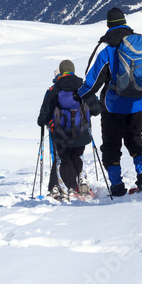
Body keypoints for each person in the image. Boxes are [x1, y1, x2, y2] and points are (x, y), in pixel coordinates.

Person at [78, 7, 142, 196]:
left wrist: (80, 96)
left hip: (113, 106)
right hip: (139, 103)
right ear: (125, 22)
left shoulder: (107, 50)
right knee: (135, 138)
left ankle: (116, 186)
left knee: (111, 145)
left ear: (108, 25)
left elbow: (92, 83)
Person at [36, 59, 101, 200]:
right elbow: (96, 110)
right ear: (73, 70)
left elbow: (44, 115)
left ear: (61, 71)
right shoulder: (84, 87)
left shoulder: (54, 90)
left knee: (63, 160)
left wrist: (44, 122)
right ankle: (83, 183)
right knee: (78, 156)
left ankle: (66, 189)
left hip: (61, 134)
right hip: (81, 132)